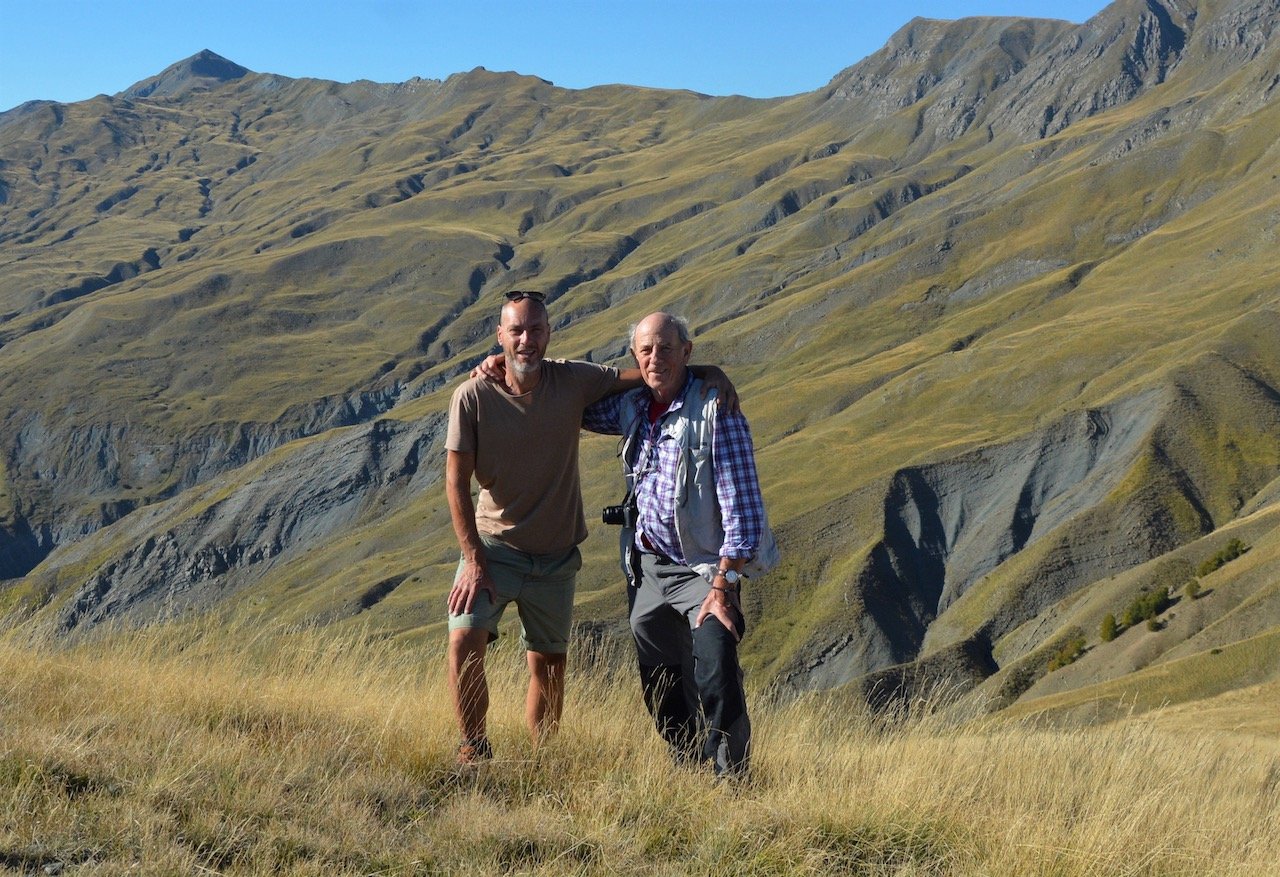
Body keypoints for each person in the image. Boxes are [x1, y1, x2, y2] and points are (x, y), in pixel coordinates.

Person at [446, 292, 736, 766]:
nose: (526, 340)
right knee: (464, 637)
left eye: (535, 329)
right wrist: (473, 558)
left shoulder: (572, 380)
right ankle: (473, 749)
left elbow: (648, 374)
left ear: (548, 333)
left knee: (549, 664)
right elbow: (455, 481)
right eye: (515, 331)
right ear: (499, 336)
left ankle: (542, 763)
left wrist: (706, 372)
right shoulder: (473, 396)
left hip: (557, 555)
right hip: (493, 548)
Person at [584, 312, 775, 779]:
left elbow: (743, 510)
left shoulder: (716, 409)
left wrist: (724, 585)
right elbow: (568, 399)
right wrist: (503, 366)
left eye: (667, 348)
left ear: (687, 352)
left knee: (716, 665)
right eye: (646, 350)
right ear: (634, 356)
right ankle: (686, 767)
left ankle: (733, 779)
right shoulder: (629, 406)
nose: (656, 358)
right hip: (646, 567)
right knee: (661, 681)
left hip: (704, 570)